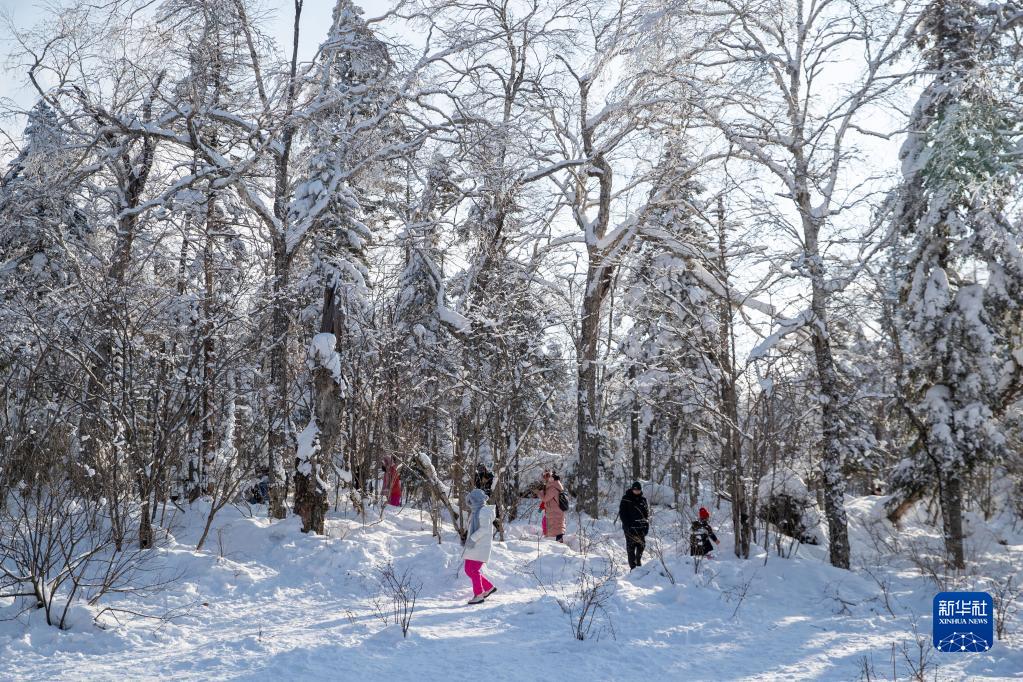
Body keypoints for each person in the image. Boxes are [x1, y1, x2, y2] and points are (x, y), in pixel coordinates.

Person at [463, 488, 497, 605]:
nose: (470, 504)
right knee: (469, 569)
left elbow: (484, 529)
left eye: (471, 502)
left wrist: (472, 539)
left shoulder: (484, 511)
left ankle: (478, 595)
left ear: (476, 501)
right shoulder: (477, 511)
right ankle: (488, 587)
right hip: (475, 546)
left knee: (472, 570)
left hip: (480, 545)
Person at [618, 481, 650, 570]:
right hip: (629, 527)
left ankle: (638, 560)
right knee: (631, 547)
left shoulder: (643, 500)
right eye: (635, 490)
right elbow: (622, 514)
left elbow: (646, 514)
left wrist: (646, 525)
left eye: (638, 490)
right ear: (632, 489)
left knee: (641, 545)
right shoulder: (626, 499)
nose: (636, 491)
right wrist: (627, 526)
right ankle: (633, 568)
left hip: (640, 527)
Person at [538, 470, 566, 542]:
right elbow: (548, 499)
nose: (546, 478)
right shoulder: (551, 485)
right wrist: (541, 507)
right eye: (544, 476)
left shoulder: (553, 486)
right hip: (554, 510)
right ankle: (557, 545)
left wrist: (539, 492)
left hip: (555, 511)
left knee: (558, 529)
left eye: (547, 475)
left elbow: (545, 498)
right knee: (556, 527)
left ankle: (560, 547)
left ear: (551, 476)